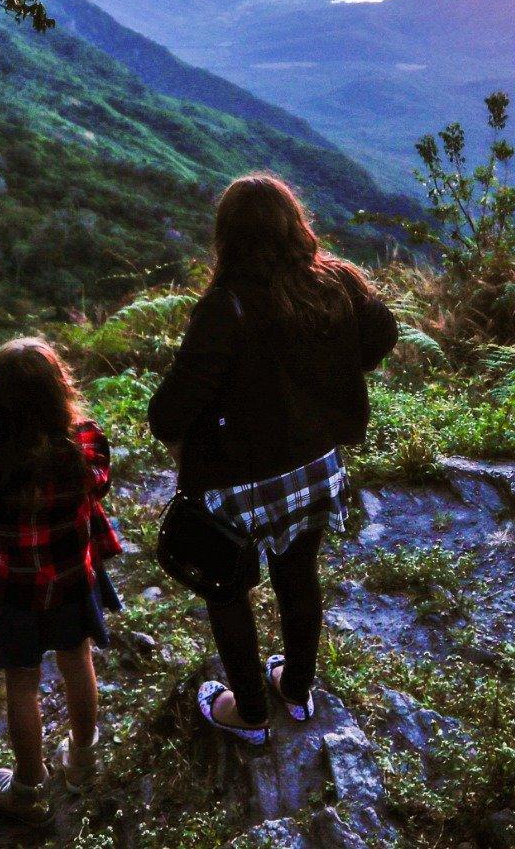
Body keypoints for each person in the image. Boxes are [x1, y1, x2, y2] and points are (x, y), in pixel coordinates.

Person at [148, 174, 397, 744]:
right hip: (314, 467)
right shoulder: (335, 282)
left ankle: (251, 712)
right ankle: (297, 688)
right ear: (295, 224)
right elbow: (383, 335)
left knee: (227, 588)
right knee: (298, 575)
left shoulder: (226, 305)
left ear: (227, 236)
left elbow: (169, 415)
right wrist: (330, 378)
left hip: (239, 480)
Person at [0, 339, 123, 825]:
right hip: (73, 579)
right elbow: (99, 484)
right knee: (77, 660)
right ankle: (81, 759)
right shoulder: (86, 441)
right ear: (61, 390)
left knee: (22, 682)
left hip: (12, 586)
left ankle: (30, 788)